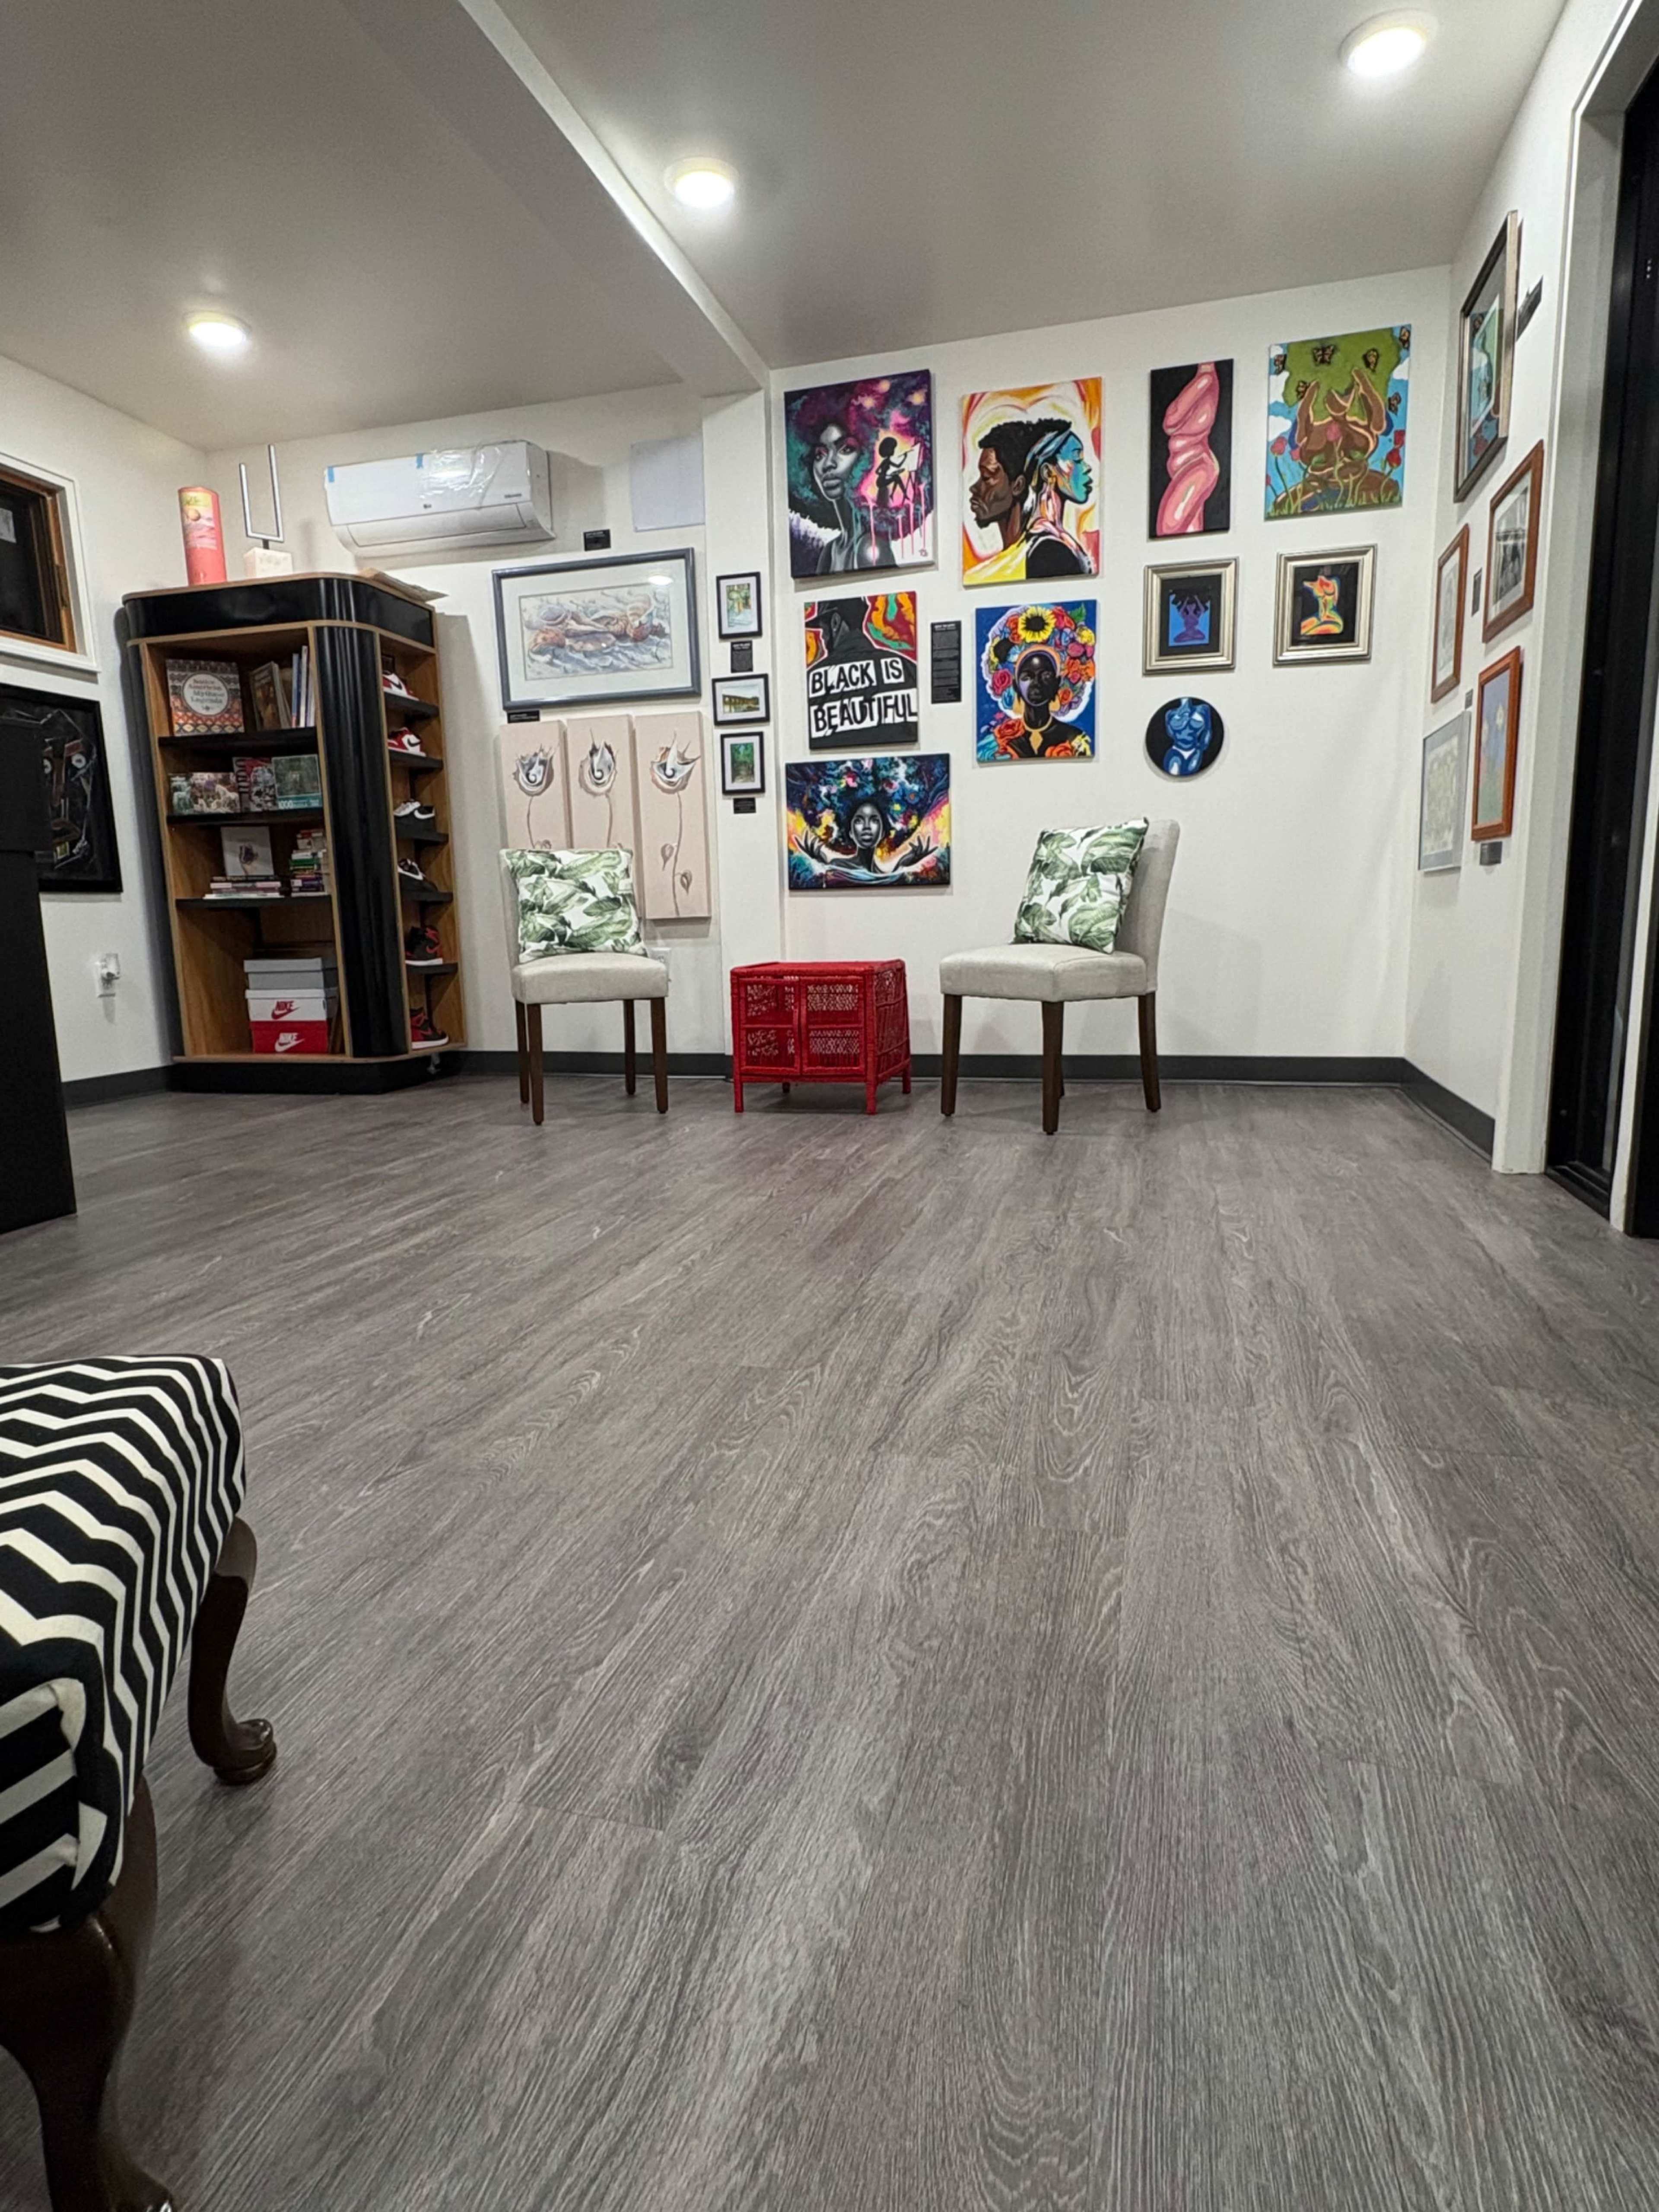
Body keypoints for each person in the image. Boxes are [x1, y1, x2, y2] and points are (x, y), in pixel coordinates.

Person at [967, 416, 1091, 582]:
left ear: (1018, 486)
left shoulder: (1049, 551)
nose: (974, 488)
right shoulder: (1043, 549)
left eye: (987, 477)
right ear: (1047, 473)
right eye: (1078, 460)